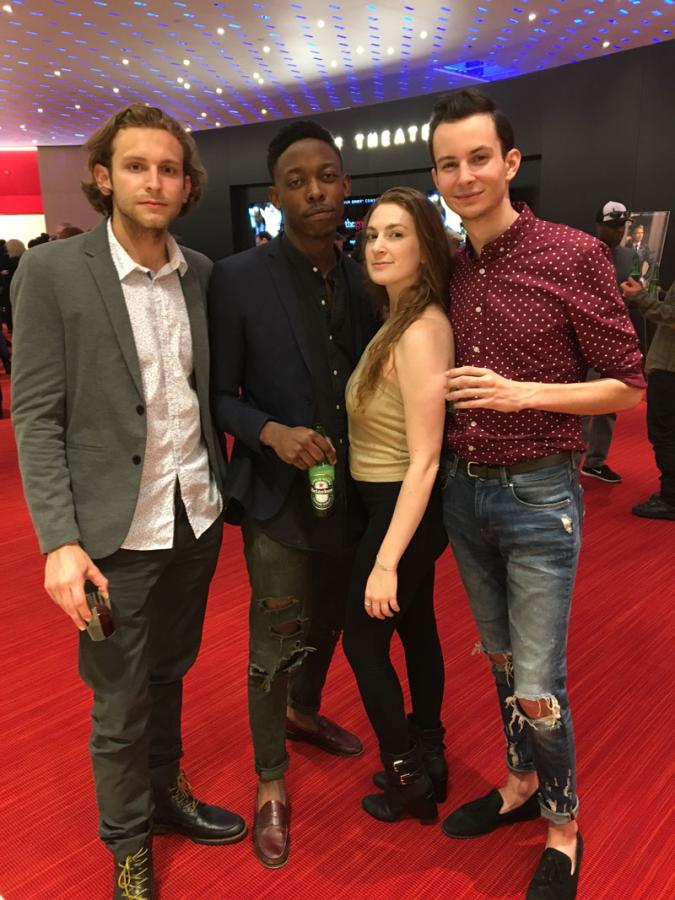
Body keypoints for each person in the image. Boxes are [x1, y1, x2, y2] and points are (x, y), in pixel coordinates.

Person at [10, 104, 246, 900]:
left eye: (169, 168)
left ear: (187, 185)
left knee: (171, 673)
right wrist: (58, 540)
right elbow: (36, 415)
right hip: (111, 533)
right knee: (118, 700)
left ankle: (166, 793)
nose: (155, 180)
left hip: (195, 516)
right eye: (137, 166)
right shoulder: (51, 273)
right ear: (104, 178)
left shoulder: (204, 274)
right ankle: (128, 841)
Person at [428, 88, 645, 900]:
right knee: (497, 661)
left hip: (538, 495)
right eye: (448, 163)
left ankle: (562, 822)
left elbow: (625, 385)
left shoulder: (570, 253)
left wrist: (523, 394)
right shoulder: (446, 266)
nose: (464, 174)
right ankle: (519, 783)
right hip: (463, 492)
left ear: (510, 163)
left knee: (537, 683)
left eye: (478, 157)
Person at [208, 120, 376, 869]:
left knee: (333, 617)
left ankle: (305, 714)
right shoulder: (238, 278)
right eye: (300, 181)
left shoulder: (364, 275)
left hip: (352, 493)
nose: (316, 191)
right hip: (276, 495)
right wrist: (268, 429)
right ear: (275, 196)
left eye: (329, 176)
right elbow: (216, 394)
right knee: (274, 635)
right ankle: (270, 778)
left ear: (344, 185)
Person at [342, 187, 453, 824]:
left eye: (397, 234)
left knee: (363, 642)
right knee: (417, 628)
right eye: (374, 234)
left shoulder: (420, 331)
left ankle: (408, 774)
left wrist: (385, 560)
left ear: (425, 246)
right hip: (391, 505)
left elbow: (426, 459)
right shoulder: (398, 318)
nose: (379, 246)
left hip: (401, 508)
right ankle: (430, 754)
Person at [580, 200, 636, 484]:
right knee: (578, 402)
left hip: (614, 342)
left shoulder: (629, 257)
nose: (616, 232)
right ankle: (569, 456)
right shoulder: (582, 252)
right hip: (584, 341)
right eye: (611, 226)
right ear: (598, 225)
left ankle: (595, 461)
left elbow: (639, 289)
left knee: (607, 404)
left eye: (620, 227)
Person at [622, 274, 675, 519]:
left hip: (669, 367)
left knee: (664, 432)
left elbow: (671, 316)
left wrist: (640, 298)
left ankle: (671, 498)